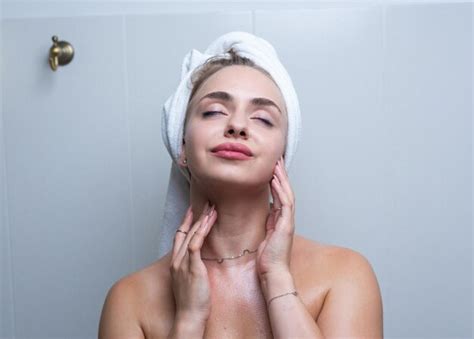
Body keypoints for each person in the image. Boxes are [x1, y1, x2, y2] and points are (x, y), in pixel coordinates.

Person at [98, 32, 383, 338]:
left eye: (262, 118)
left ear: (282, 155)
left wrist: (278, 281)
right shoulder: (129, 300)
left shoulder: (345, 275)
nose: (237, 125)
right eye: (214, 111)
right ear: (181, 145)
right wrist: (189, 320)